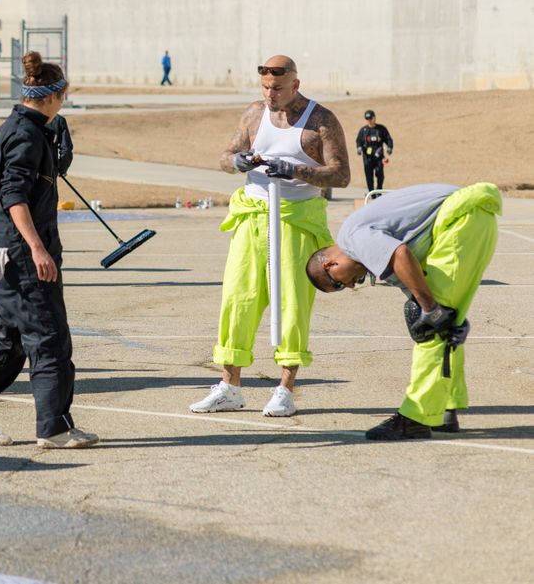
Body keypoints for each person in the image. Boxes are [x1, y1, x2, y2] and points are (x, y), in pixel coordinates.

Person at [190, 55, 350, 417]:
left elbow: (341, 176)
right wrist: (237, 162)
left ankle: (285, 389)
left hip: (297, 220)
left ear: (295, 84)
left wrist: (295, 170)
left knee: (292, 305)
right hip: (253, 216)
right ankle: (230, 385)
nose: (270, 94)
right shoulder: (253, 114)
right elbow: (225, 155)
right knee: (237, 298)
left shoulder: (321, 120)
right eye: (264, 88)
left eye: (277, 88)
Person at [0, 52, 98, 449]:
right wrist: (36, 248)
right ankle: (54, 428)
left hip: (4, 251)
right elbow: (13, 195)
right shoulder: (28, 134)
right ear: (55, 96)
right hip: (22, 256)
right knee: (48, 338)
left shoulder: (12, 129)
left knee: (7, 340)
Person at [305, 183, 500, 440]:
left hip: (458, 221)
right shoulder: (368, 254)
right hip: (473, 218)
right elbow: (411, 280)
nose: (350, 286)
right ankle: (444, 409)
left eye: (338, 283)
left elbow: (400, 254)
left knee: (427, 326)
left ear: (330, 263)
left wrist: (430, 309)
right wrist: (446, 316)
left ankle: (416, 417)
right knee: (439, 322)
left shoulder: (351, 240)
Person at [355, 109, 394, 192]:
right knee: (369, 176)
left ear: (374, 118)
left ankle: (379, 191)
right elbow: (359, 140)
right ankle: (371, 192)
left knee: (380, 174)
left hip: (378, 156)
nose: (369, 120)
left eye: (371, 118)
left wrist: (389, 147)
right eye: (367, 119)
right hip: (367, 157)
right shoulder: (364, 130)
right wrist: (358, 148)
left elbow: (388, 139)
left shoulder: (381, 129)